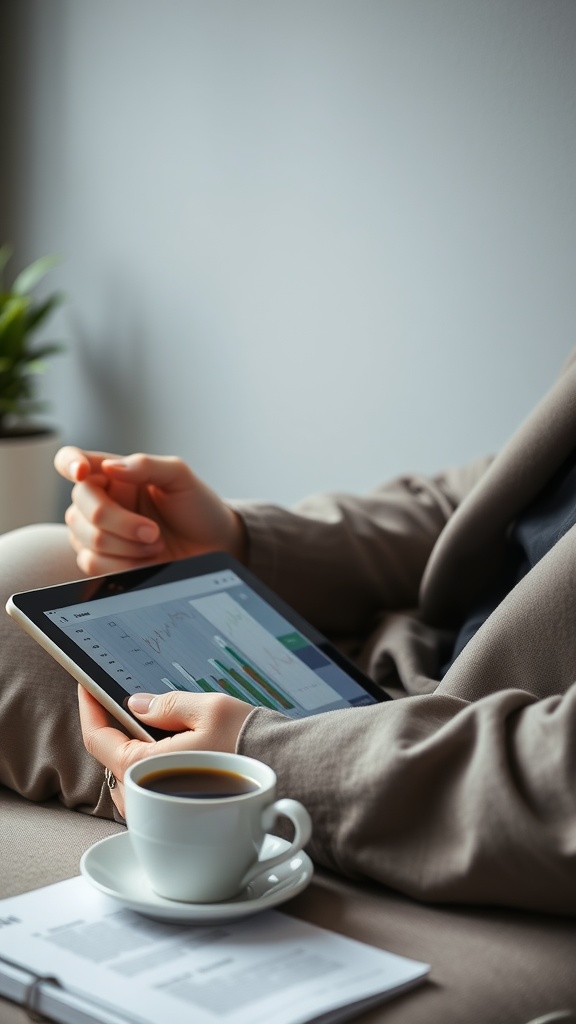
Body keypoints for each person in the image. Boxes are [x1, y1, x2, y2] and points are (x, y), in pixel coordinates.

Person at [1, 348, 576, 917]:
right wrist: (240, 541)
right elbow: (491, 499)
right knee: (31, 564)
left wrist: (261, 762)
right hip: (391, 664)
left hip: (457, 757)